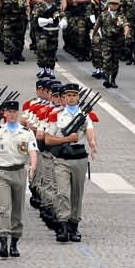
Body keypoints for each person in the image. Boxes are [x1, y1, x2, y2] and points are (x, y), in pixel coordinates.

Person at [0, 100, 37, 258]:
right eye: (9, 112)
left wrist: (33, 165)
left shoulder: (26, 133)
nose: (12, 115)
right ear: (4, 114)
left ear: (18, 113)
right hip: (3, 174)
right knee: (3, 209)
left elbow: (33, 151)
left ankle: (14, 242)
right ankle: (3, 242)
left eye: (15, 112)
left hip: (19, 172)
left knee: (18, 209)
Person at [44, 84, 97, 242]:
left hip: (79, 157)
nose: (72, 98)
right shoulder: (56, 114)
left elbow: (90, 130)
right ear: (64, 98)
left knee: (77, 194)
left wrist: (93, 143)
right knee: (63, 193)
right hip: (62, 159)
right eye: (69, 96)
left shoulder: (84, 115)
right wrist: (67, 139)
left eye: (75, 95)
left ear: (78, 97)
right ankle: (63, 225)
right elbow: (48, 139)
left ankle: (74, 225)